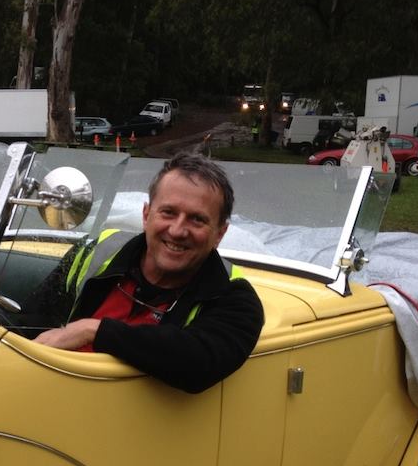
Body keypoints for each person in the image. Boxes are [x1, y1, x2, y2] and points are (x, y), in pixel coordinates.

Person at [34, 152, 264, 393]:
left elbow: (198, 364)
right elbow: (32, 322)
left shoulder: (235, 296)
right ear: (146, 215)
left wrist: (93, 330)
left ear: (220, 234)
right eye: (168, 212)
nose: (177, 231)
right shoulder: (97, 250)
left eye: (197, 219)